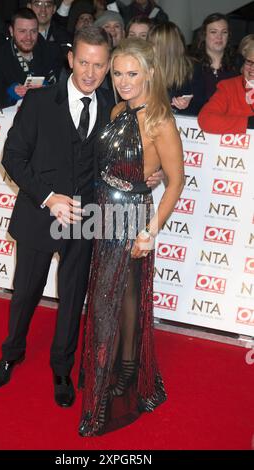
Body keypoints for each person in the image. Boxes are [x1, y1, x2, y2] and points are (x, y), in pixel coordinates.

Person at [0, 26, 115, 408]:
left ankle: (62, 367)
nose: (90, 72)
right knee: (25, 292)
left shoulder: (112, 107)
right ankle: (11, 353)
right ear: (71, 59)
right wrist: (48, 197)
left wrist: (150, 172)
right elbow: (12, 157)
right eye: (84, 62)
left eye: (99, 65)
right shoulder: (41, 102)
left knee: (74, 296)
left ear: (107, 67)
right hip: (41, 213)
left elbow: (119, 161)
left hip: (88, 217)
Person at [79, 37, 184, 436]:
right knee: (109, 295)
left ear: (150, 74)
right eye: (119, 73)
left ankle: (123, 373)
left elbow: (175, 182)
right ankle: (111, 370)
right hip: (103, 212)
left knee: (123, 298)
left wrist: (150, 232)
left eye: (132, 73)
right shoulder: (119, 108)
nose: (123, 81)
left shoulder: (160, 120)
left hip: (132, 218)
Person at [0, 7, 62, 110]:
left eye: (33, 31)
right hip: (11, 120)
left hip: (44, 117)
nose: (28, 38)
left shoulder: (52, 52)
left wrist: (46, 89)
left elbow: (62, 92)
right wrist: (12, 93)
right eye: (22, 31)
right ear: (11, 31)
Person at [198, 34, 254, 134]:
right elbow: (205, 120)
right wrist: (247, 123)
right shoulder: (229, 87)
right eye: (249, 62)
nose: (252, 68)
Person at [147, 21, 204, 116]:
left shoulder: (192, 69)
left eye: (152, 43)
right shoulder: (146, 66)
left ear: (165, 47)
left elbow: (201, 103)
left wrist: (189, 102)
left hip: (180, 124)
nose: (148, 47)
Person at [191, 13, 238, 109]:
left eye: (224, 32)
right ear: (204, 35)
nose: (219, 37)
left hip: (230, 121)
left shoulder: (239, 65)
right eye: (213, 32)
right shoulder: (191, 66)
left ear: (228, 36)